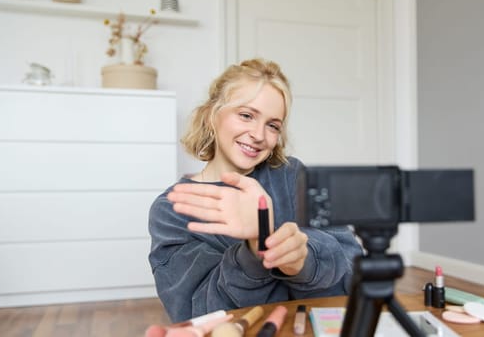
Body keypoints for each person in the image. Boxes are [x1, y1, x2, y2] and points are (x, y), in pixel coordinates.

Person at [148, 58, 363, 322]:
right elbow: (196, 311)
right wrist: (253, 250)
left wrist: (303, 260)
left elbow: (352, 265)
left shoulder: (292, 175)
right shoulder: (172, 210)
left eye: (273, 125)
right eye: (246, 115)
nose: (259, 135)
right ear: (212, 114)